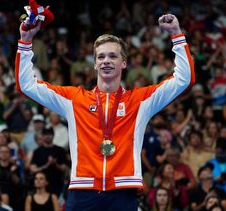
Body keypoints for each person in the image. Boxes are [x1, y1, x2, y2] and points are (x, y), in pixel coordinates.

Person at [17, 13, 194, 210]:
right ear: (94, 64)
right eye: (100, 56)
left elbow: (184, 79)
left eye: (113, 56)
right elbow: (26, 85)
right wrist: (25, 42)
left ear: (124, 63)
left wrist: (177, 35)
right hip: (82, 191)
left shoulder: (141, 100)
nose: (106, 61)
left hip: (123, 191)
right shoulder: (74, 99)